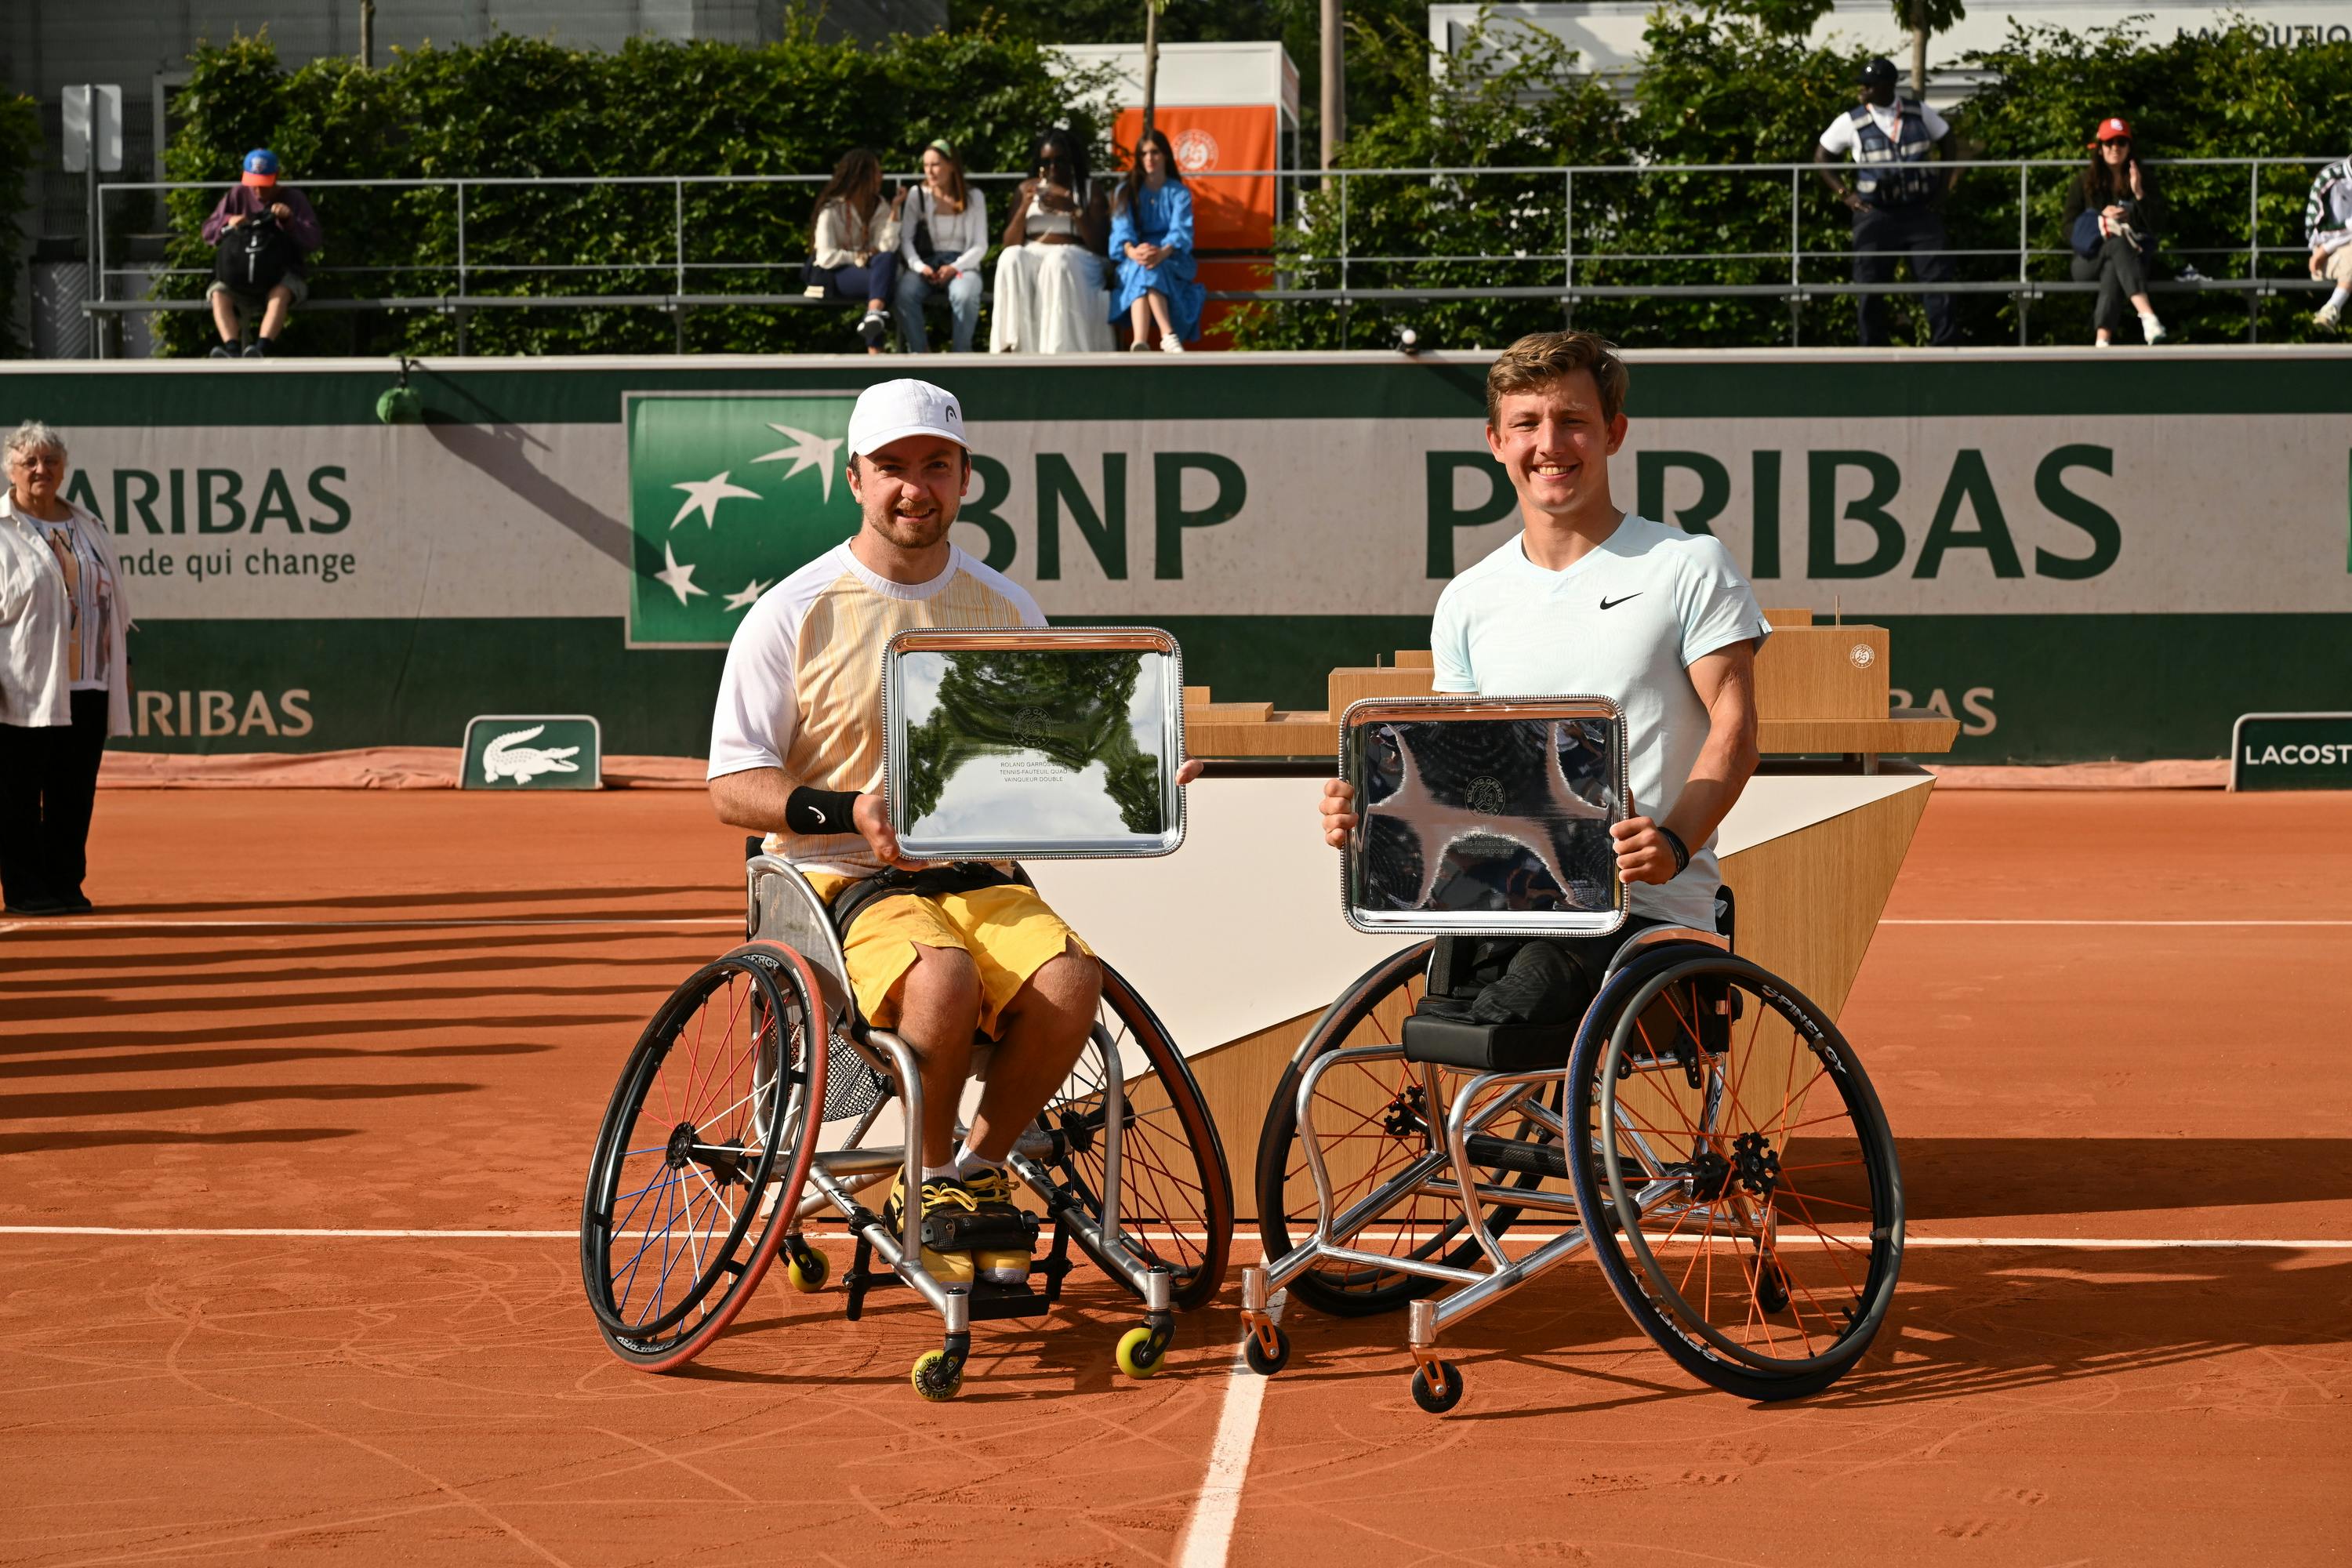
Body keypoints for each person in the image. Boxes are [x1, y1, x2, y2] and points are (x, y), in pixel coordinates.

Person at [706, 378, 1200, 1284]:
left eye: (935, 466)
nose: (914, 487)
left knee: (1071, 976)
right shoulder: (792, 610)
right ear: (854, 478)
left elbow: (1050, 764)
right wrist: (849, 809)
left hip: (978, 876)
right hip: (835, 878)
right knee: (943, 974)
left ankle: (973, 1167)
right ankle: (922, 1179)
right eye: (891, 467)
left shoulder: (1008, 612)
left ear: (966, 477)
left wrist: (1138, 781)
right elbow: (734, 785)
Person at [1316, 332, 1769, 1014]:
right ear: (1496, 440)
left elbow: (1736, 734)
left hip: (1641, 920)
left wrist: (1673, 842)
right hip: (1497, 909)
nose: (1550, 444)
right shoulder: (1468, 597)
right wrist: (1375, 815)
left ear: (1613, 433)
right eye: (1527, 423)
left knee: (1503, 1021)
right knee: (1431, 1030)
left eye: (1574, 421)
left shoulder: (1688, 565)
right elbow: (1454, 776)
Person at [0, 422, 132, 916]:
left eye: (50, 461)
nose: (41, 469)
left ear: (63, 469)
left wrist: (123, 665)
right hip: (23, 686)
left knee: (73, 793)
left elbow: (111, 603)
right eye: (29, 461)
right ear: (11, 470)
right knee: (16, 793)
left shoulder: (88, 525)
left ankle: (64, 882)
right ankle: (26, 889)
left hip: (89, 682)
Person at [1813, 58, 1961, 347]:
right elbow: (1822, 156)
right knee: (1869, 284)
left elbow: (1948, 140)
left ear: (1887, 86)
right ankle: (1873, 348)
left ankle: (1945, 347)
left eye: (1869, 85)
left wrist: (1943, 189)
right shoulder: (1851, 121)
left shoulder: (1917, 112)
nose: (1863, 91)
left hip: (1919, 211)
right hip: (1875, 213)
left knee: (1937, 279)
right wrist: (1847, 196)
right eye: (1862, 85)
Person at [989, 129, 1116, 354]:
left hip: (1076, 254)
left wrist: (1073, 209)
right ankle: (1010, 346)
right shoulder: (1025, 188)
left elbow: (1100, 245)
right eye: (1046, 163)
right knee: (1010, 258)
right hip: (1034, 250)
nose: (1053, 169)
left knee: (1058, 261)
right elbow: (1009, 243)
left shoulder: (1088, 190)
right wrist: (1025, 206)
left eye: (1060, 161)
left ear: (1071, 161)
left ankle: (1057, 351)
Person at [199, 149, 322, 358]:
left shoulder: (294, 198)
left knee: (281, 293)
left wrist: (289, 221)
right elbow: (208, 232)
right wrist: (227, 222)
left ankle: (261, 349)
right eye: (253, 182)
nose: (258, 190)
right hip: (237, 278)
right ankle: (231, 349)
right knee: (218, 293)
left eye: (264, 184)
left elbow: (313, 240)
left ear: (277, 177)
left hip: (278, 277)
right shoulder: (237, 194)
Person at [2061, 118, 2167, 347]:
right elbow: (2067, 228)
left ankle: (2102, 340)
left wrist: (2139, 194)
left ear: (2129, 148)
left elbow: (2157, 226)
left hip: (2129, 261)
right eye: (2109, 143)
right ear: (2100, 148)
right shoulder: (2082, 182)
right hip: (2087, 260)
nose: (2115, 148)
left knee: (2115, 260)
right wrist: (2101, 221)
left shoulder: (2142, 179)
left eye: (2121, 142)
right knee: (2115, 246)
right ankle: (2147, 316)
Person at [1108, 127, 1206, 352]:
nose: (1149, 158)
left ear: (1165, 155)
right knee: (1144, 268)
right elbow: (1121, 229)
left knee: (1149, 269)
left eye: (1154, 152)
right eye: (1143, 153)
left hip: (1172, 257)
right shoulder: (1127, 190)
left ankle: (1140, 340)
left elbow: (1181, 231)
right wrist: (1133, 252)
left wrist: (1161, 252)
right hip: (1136, 256)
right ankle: (1166, 336)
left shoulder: (1179, 192)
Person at [894, 140, 989, 354]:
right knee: (905, 293)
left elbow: (980, 245)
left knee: (964, 296)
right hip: (926, 264)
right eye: (926, 165)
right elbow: (906, 239)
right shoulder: (917, 195)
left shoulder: (974, 197)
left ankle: (960, 357)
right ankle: (921, 355)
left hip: (961, 265)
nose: (930, 171)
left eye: (935, 164)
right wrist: (920, 267)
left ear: (952, 165)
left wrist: (955, 267)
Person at [809, 149, 904, 354]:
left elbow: (887, 247)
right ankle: (874, 343)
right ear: (862, 176)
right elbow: (826, 257)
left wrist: (895, 210)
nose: (882, 177)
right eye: (877, 172)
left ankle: (873, 314)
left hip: (873, 271)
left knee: (887, 260)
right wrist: (859, 256)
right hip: (838, 272)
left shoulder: (880, 206)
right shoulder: (832, 210)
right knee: (885, 282)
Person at [2305, 153, 2352, 329]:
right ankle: (2332, 308)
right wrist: (2324, 250)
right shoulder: (2329, 178)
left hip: (2327, 251)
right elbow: (2315, 232)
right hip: (2327, 257)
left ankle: (2331, 308)